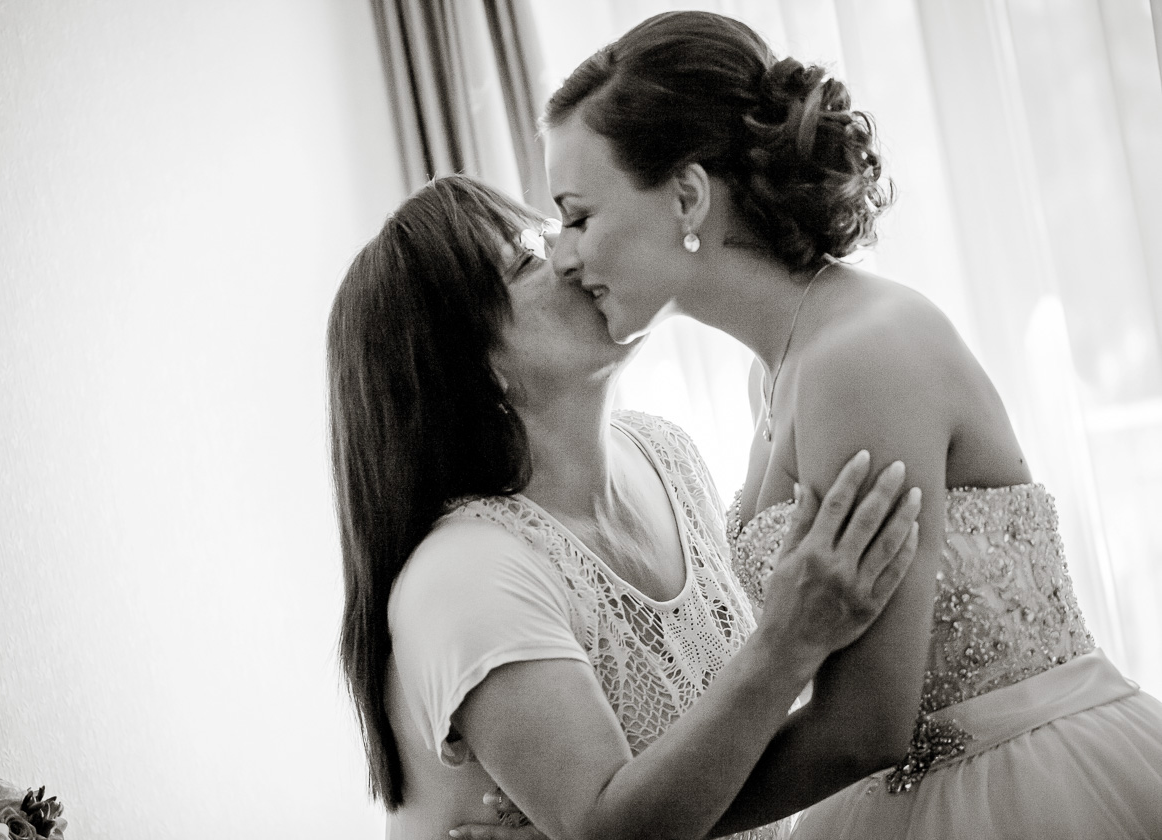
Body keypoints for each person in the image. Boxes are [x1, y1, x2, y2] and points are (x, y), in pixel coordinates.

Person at [529, 9, 1162, 839]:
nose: (562, 256)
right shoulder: (776, 373)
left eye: (578, 216)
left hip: (1029, 794)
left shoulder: (859, 359)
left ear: (687, 196)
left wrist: (619, 824)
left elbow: (864, 729)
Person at [328, 174, 924, 840]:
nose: (572, 255)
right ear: (470, 368)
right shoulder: (463, 574)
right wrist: (788, 643)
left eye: (557, 231)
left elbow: (723, 759)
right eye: (526, 262)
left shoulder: (667, 455)